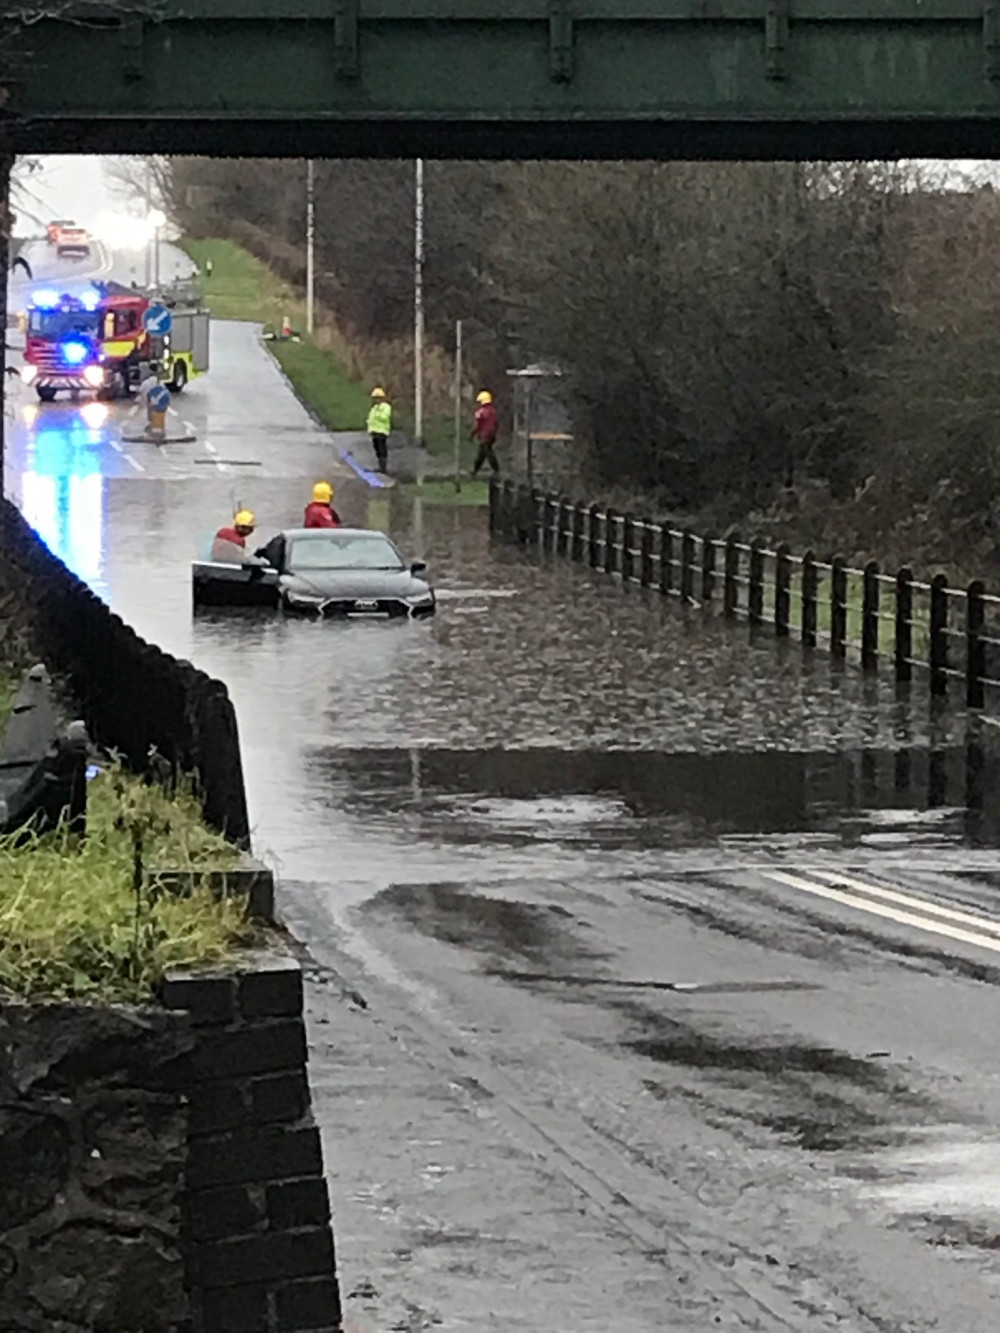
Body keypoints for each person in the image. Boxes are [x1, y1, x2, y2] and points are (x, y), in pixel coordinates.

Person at [471, 390, 500, 477]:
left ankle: (496, 469)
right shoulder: (493, 411)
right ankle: (475, 470)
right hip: (491, 436)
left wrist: (473, 434)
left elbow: (477, 425)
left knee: (487, 453)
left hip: (484, 436)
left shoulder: (480, 412)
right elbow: (496, 424)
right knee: (482, 453)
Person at [366, 386, 392, 474]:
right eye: (375, 398)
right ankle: (380, 466)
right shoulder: (374, 408)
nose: (376, 400)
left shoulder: (386, 407)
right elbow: (371, 419)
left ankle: (383, 468)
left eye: (378, 398)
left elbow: (384, 417)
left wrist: (377, 413)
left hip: (382, 431)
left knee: (382, 449)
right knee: (377, 449)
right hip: (375, 432)